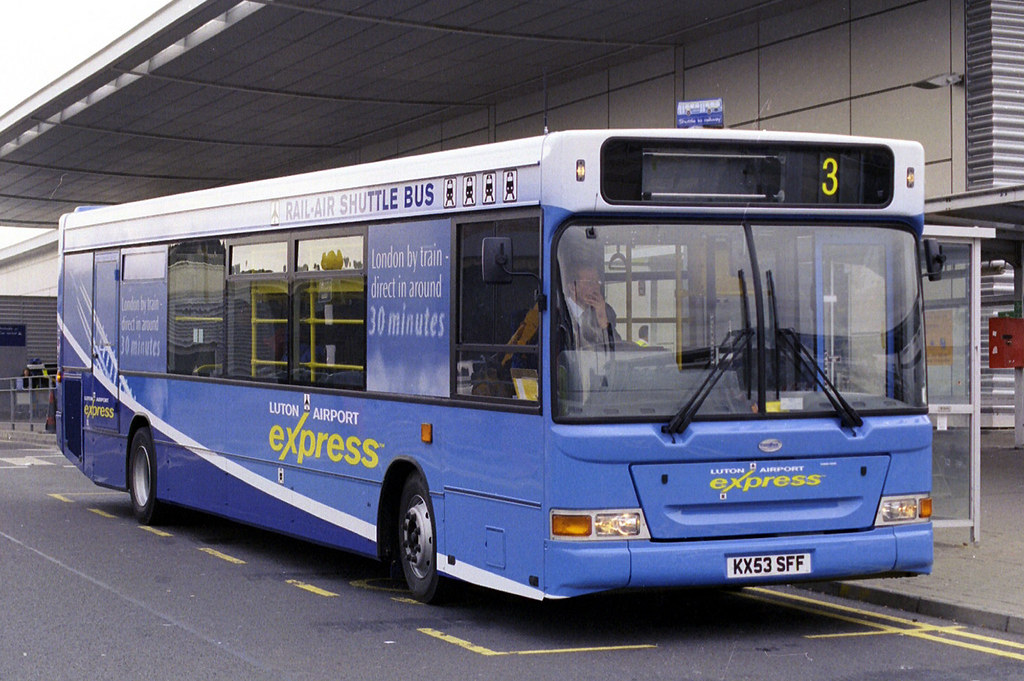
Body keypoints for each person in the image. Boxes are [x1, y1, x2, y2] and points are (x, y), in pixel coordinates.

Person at [562, 259, 620, 351]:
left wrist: (603, 320)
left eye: (597, 282)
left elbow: (616, 349)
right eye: (590, 283)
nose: (596, 287)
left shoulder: (605, 310)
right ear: (573, 287)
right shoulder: (559, 310)